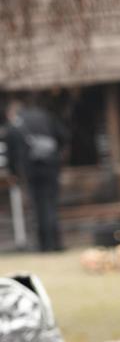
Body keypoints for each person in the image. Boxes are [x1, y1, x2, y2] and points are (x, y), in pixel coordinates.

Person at [6, 98, 66, 252]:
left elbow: (11, 152)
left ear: (12, 112)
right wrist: (57, 157)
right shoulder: (45, 116)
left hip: (31, 170)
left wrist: (13, 173)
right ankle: (57, 243)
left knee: (38, 207)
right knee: (51, 205)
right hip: (51, 167)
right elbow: (63, 136)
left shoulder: (15, 124)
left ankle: (44, 245)